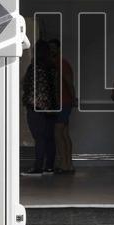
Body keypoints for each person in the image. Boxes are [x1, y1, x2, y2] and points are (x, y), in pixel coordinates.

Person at [22, 40, 58, 175]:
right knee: (49, 137)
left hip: (36, 105)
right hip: (51, 106)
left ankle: (37, 167)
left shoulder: (34, 67)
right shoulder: (52, 67)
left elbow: (26, 84)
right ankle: (49, 167)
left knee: (39, 137)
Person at [48, 39, 76, 174]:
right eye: (50, 48)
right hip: (60, 102)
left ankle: (65, 164)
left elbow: (69, 82)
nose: (51, 50)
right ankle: (67, 164)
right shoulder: (54, 64)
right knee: (64, 133)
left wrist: (73, 98)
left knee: (59, 133)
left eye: (54, 48)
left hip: (64, 102)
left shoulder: (61, 63)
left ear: (58, 49)